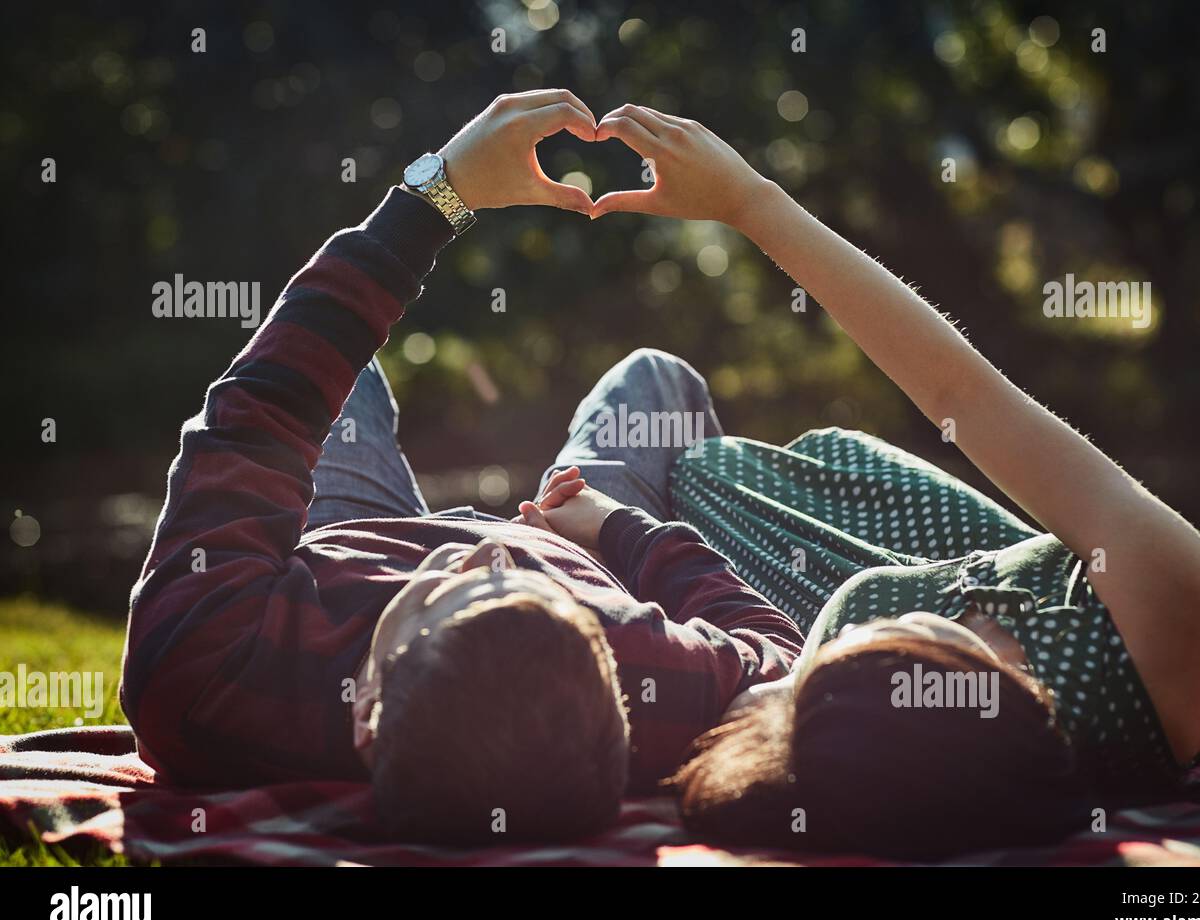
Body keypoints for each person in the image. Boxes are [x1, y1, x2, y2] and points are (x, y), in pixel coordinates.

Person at [525, 104, 1200, 859]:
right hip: (729, 519)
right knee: (656, 390)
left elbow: (721, 662)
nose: (871, 633)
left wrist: (606, 532)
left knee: (651, 383)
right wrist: (748, 203)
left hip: (669, 555)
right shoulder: (1165, 639)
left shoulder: (833, 725)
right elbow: (965, 400)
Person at [120, 91, 802, 846]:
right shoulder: (652, 678)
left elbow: (258, 411)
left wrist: (434, 197)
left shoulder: (201, 672)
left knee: (345, 378)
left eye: (452, 588)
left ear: (368, 708)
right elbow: (779, 659)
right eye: (530, 592)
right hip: (580, 535)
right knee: (656, 379)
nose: (490, 546)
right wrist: (617, 531)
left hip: (347, 543)